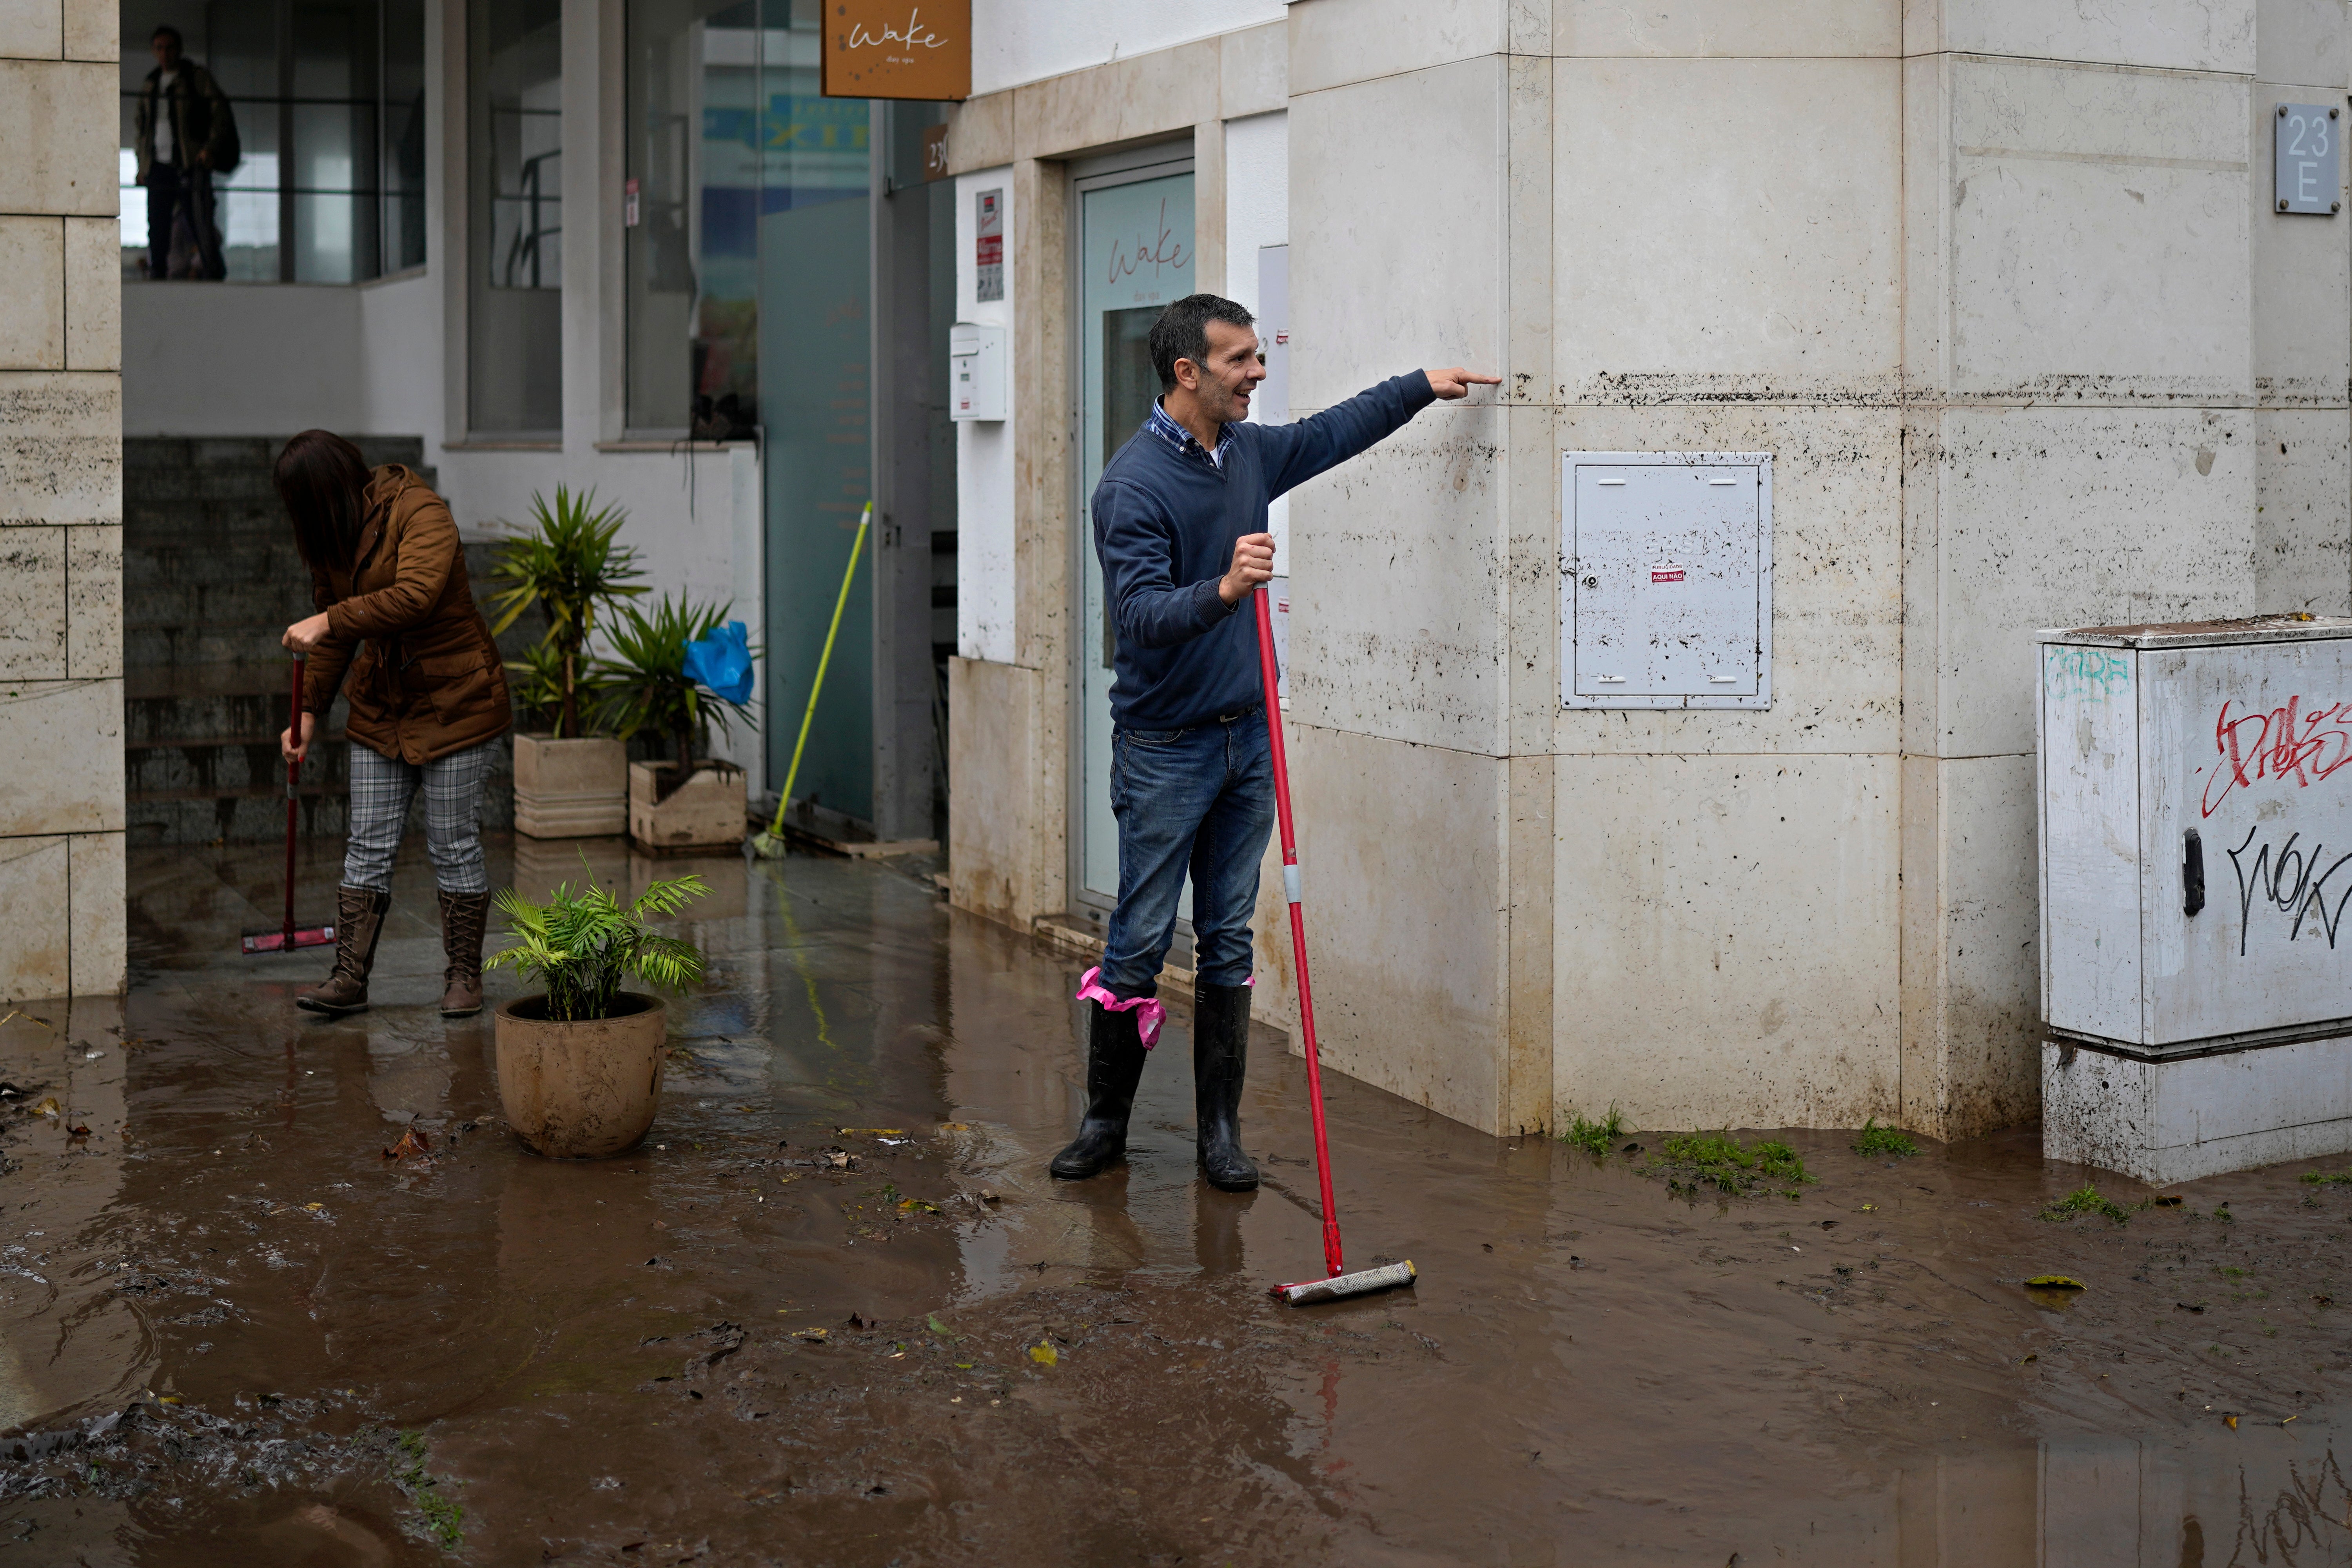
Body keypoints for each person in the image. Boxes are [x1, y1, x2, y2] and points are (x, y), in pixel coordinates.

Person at [1053, 292, 1498, 1189]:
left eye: (1258, 356)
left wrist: (1418, 385)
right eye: (1241, 360)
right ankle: (1105, 1125)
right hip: (1165, 748)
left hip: (1248, 742)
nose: (1259, 372)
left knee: (1226, 937)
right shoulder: (1131, 484)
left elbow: (1334, 432)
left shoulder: (1251, 453)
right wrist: (1223, 589)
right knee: (1139, 941)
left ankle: (1221, 1135)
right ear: (1188, 373)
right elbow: (1137, 619)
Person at [273, 431, 512, 1019]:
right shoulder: (334, 539)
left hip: (458, 702)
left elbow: (417, 596)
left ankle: (464, 976)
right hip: (384, 706)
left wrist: (329, 620)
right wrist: (307, 713)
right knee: (366, 844)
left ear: (327, 492)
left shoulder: (420, 511)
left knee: (452, 844)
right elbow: (335, 637)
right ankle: (349, 978)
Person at [134, 25, 238, 281]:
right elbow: (142, 129)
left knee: (199, 221)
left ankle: (212, 270)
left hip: (190, 163)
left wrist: (209, 149)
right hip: (159, 166)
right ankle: (157, 273)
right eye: (159, 48)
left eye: (169, 48)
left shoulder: (196, 78)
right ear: (153, 51)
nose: (165, 54)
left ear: (179, 50)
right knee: (158, 225)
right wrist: (143, 167)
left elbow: (220, 113)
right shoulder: (151, 84)